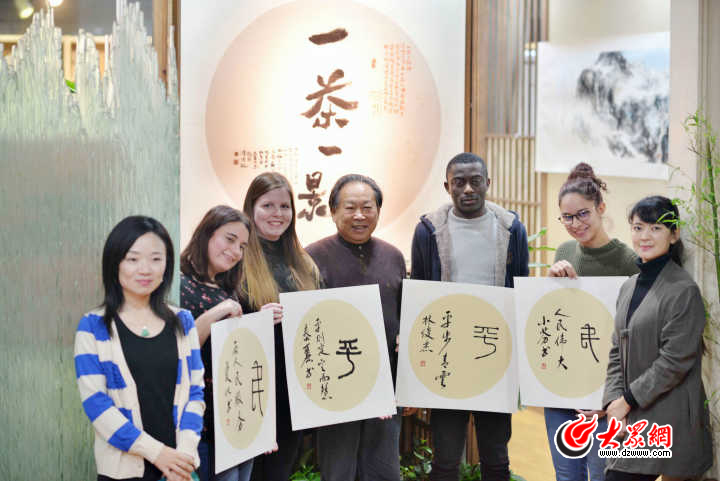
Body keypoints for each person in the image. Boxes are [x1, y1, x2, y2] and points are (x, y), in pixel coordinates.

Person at [410, 152, 528, 481]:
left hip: (494, 352)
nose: (467, 189)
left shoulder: (511, 228)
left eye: (475, 181)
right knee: (445, 457)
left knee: (496, 456)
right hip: (447, 353)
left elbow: (521, 286)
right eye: (458, 182)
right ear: (447, 186)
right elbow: (418, 291)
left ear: (487, 182)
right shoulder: (428, 230)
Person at [75, 216, 204, 481]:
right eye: (132, 259)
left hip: (179, 470)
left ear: (167, 264)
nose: (145, 269)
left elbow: (195, 393)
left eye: (156, 259)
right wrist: (158, 454)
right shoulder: (93, 326)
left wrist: (184, 456)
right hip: (123, 472)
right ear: (115, 263)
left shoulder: (183, 321)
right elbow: (97, 405)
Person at [602, 196, 712, 481]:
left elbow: (675, 361)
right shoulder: (628, 287)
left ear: (673, 235)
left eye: (656, 228)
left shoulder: (684, 290)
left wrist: (626, 400)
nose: (645, 236)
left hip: (669, 413)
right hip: (632, 412)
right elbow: (616, 350)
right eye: (638, 228)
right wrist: (614, 402)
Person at [305, 174, 405, 481]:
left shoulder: (394, 257)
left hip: (385, 383)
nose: (359, 215)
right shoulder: (311, 258)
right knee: (338, 470)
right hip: (335, 386)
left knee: (383, 469)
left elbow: (404, 317)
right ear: (333, 211)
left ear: (378, 211)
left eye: (367, 207)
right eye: (350, 208)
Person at [544, 163, 639, 481]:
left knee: (602, 476)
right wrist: (551, 283)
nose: (575, 224)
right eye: (567, 217)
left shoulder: (628, 261)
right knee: (566, 477)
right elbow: (556, 318)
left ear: (601, 208)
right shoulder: (564, 251)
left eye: (583, 214)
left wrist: (610, 401)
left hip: (606, 399)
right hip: (563, 390)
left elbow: (634, 338)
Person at [239, 172, 323, 481]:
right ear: (251, 208)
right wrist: (256, 319)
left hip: (295, 390)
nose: (277, 214)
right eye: (268, 206)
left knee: (280, 472)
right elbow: (223, 325)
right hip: (252, 388)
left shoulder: (304, 262)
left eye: (285, 206)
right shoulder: (237, 258)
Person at [180, 206, 253, 481]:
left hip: (235, 417)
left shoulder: (228, 289)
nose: (235, 252)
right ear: (207, 234)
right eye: (229, 239)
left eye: (242, 246)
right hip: (200, 420)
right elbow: (181, 348)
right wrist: (217, 312)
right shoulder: (180, 284)